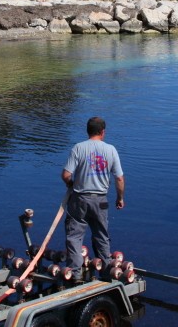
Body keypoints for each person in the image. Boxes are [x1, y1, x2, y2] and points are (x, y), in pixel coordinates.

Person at [61, 116, 125, 270]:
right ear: (103, 132)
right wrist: (120, 198)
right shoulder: (111, 150)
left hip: (79, 199)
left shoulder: (78, 148)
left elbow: (65, 175)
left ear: (87, 131)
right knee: (101, 236)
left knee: (75, 238)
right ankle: (106, 271)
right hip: (101, 201)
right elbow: (120, 179)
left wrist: (72, 185)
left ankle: (75, 274)